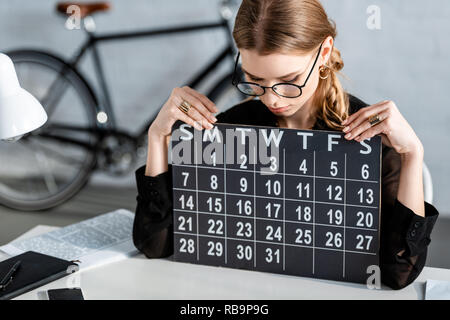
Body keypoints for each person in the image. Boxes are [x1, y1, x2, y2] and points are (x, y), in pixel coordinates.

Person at [132, 0, 439, 290]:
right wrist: (158, 137)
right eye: (254, 80)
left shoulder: (368, 140)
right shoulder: (231, 129)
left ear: (324, 52)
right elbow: (156, 245)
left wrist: (412, 154)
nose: (271, 99)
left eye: (289, 80)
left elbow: (399, 273)